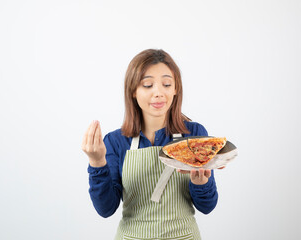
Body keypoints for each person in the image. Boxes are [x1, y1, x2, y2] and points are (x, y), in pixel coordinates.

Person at [82, 49, 218, 240]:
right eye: (147, 85)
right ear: (133, 91)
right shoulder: (116, 141)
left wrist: (201, 182)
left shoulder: (194, 135)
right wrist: (97, 163)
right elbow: (106, 209)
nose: (158, 93)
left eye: (166, 84)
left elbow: (207, 207)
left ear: (175, 88)